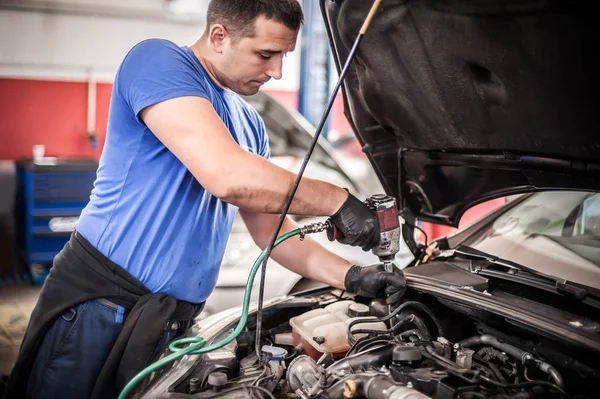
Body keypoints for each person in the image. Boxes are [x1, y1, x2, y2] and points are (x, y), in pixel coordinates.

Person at [6, 1, 407, 398]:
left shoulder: (249, 123)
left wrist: (353, 276)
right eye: (266, 54)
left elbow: (273, 234)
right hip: (101, 303)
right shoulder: (157, 62)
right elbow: (226, 177)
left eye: (284, 56)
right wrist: (337, 200)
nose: (277, 71)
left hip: (174, 320)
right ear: (219, 37)